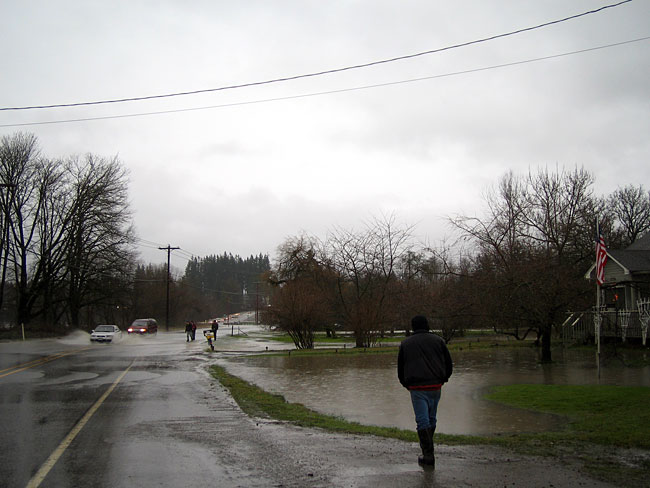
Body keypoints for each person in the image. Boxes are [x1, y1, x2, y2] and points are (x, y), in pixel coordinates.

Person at [397, 315, 453, 468]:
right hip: (435, 385)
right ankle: (428, 452)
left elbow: (400, 368)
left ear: (413, 326)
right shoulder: (438, 341)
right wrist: (444, 379)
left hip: (417, 387)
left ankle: (428, 455)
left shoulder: (406, 343)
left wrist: (406, 384)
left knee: (422, 420)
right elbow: (449, 363)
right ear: (427, 325)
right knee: (431, 418)